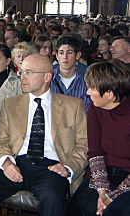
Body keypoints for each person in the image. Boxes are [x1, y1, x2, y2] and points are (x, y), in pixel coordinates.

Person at [0, 54, 88, 216]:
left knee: (52, 198)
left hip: (52, 167)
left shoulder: (72, 106)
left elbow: (84, 145)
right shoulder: (11, 104)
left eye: (29, 72)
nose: (22, 77)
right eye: (21, 72)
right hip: (18, 162)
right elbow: (1, 140)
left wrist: (68, 168)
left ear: (47, 76)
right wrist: (6, 162)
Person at [68, 60, 130, 216]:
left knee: (114, 211)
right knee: (80, 207)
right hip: (105, 173)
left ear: (110, 94)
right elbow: (95, 152)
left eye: (92, 88)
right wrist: (102, 191)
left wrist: (113, 196)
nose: (87, 92)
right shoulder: (95, 108)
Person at [50, 34, 91, 111]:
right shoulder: (48, 79)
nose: (65, 57)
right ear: (57, 56)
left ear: (78, 55)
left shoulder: (86, 80)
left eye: (69, 53)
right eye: (61, 53)